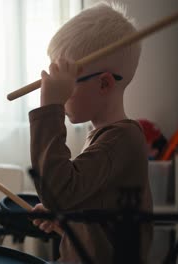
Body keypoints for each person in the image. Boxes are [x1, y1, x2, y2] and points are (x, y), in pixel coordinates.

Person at [28, 2, 153, 263]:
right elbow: (103, 225)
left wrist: (51, 107)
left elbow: (58, 193)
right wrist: (66, 222)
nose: (61, 94)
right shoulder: (110, 137)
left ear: (104, 83)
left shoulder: (119, 140)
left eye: (66, 86)